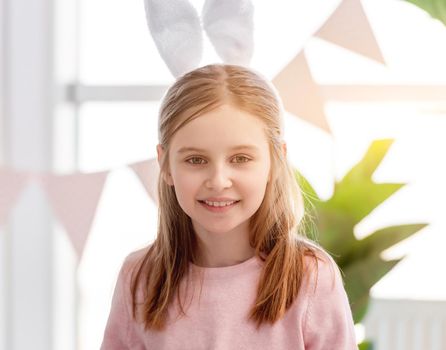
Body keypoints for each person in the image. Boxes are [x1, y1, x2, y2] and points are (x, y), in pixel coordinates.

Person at [100, 64, 358, 349]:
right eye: (196, 160)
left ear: (276, 160)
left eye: (240, 158)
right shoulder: (138, 276)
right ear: (165, 164)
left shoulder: (310, 277)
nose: (218, 181)